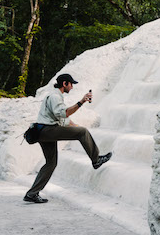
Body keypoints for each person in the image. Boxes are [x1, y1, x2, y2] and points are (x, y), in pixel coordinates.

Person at [23, 73, 112, 204]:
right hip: (47, 130)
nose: (72, 87)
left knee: (51, 163)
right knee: (82, 132)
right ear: (65, 84)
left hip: (42, 132)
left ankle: (32, 193)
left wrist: (74, 125)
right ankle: (96, 159)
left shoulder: (54, 96)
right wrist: (81, 102)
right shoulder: (54, 96)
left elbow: (61, 117)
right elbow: (63, 113)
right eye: (71, 84)